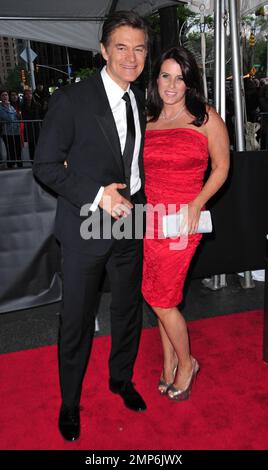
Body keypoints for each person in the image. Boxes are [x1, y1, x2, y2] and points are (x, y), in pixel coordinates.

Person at [33, 10, 148, 441]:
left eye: (138, 48)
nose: (130, 57)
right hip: (88, 220)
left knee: (127, 310)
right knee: (78, 318)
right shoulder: (72, 99)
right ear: (103, 51)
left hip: (132, 217)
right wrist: (100, 195)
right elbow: (44, 165)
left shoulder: (140, 97)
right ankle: (69, 402)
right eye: (121, 47)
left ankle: (121, 379)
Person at [142, 46, 230, 401]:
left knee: (160, 298)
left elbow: (222, 167)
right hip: (150, 222)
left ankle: (187, 362)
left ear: (190, 82)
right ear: (156, 80)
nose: (172, 84)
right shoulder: (148, 120)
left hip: (183, 221)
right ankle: (168, 364)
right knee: (162, 295)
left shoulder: (204, 116)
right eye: (166, 75)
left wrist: (198, 202)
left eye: (181, 77)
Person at [0, 90, 22, 168]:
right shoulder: (1, 108)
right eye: (3, 95)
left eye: (6, 95)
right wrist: (8, 108)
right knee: (10, 150)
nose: (5, 97)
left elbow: (17, 117)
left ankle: (20, 165)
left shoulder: (11, 106)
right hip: (7, 133)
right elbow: (9, 118)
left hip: (16, 131)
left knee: (18, 149)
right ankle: (10, 165)